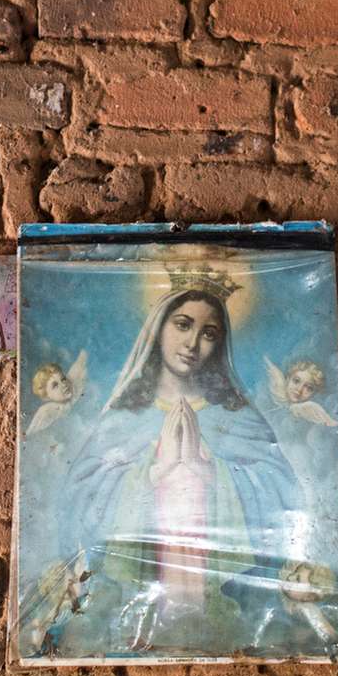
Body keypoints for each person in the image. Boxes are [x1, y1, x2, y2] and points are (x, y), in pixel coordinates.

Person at [58, 278, 302, 652]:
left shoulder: (238, 417)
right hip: (139, 595)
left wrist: (214, 473)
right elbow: (80, 493)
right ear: (159, 328)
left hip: (223, 590)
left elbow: (283, 490)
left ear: (219, 345)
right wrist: (153, 473)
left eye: (208, 333)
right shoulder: (124, 417)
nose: (192, 344)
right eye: (183, 324)